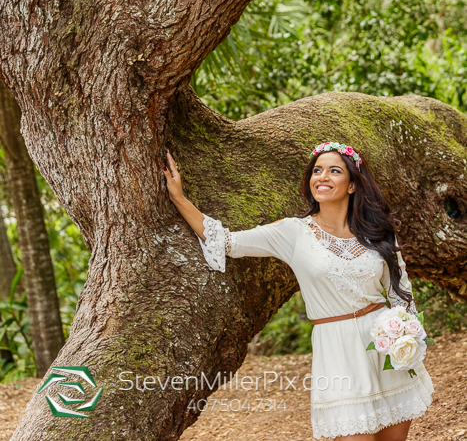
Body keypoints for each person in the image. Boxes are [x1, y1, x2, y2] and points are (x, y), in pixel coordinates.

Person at [162, 142, 434, 441]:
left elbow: (400, 292)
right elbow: (227, 242)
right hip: (337, 352)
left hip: (385, 349)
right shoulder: (294, 232)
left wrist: (406, 339)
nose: (322, 177)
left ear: (353, 185)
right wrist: (179, 198)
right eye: (317, 171)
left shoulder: (378, 231)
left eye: (334, 171)